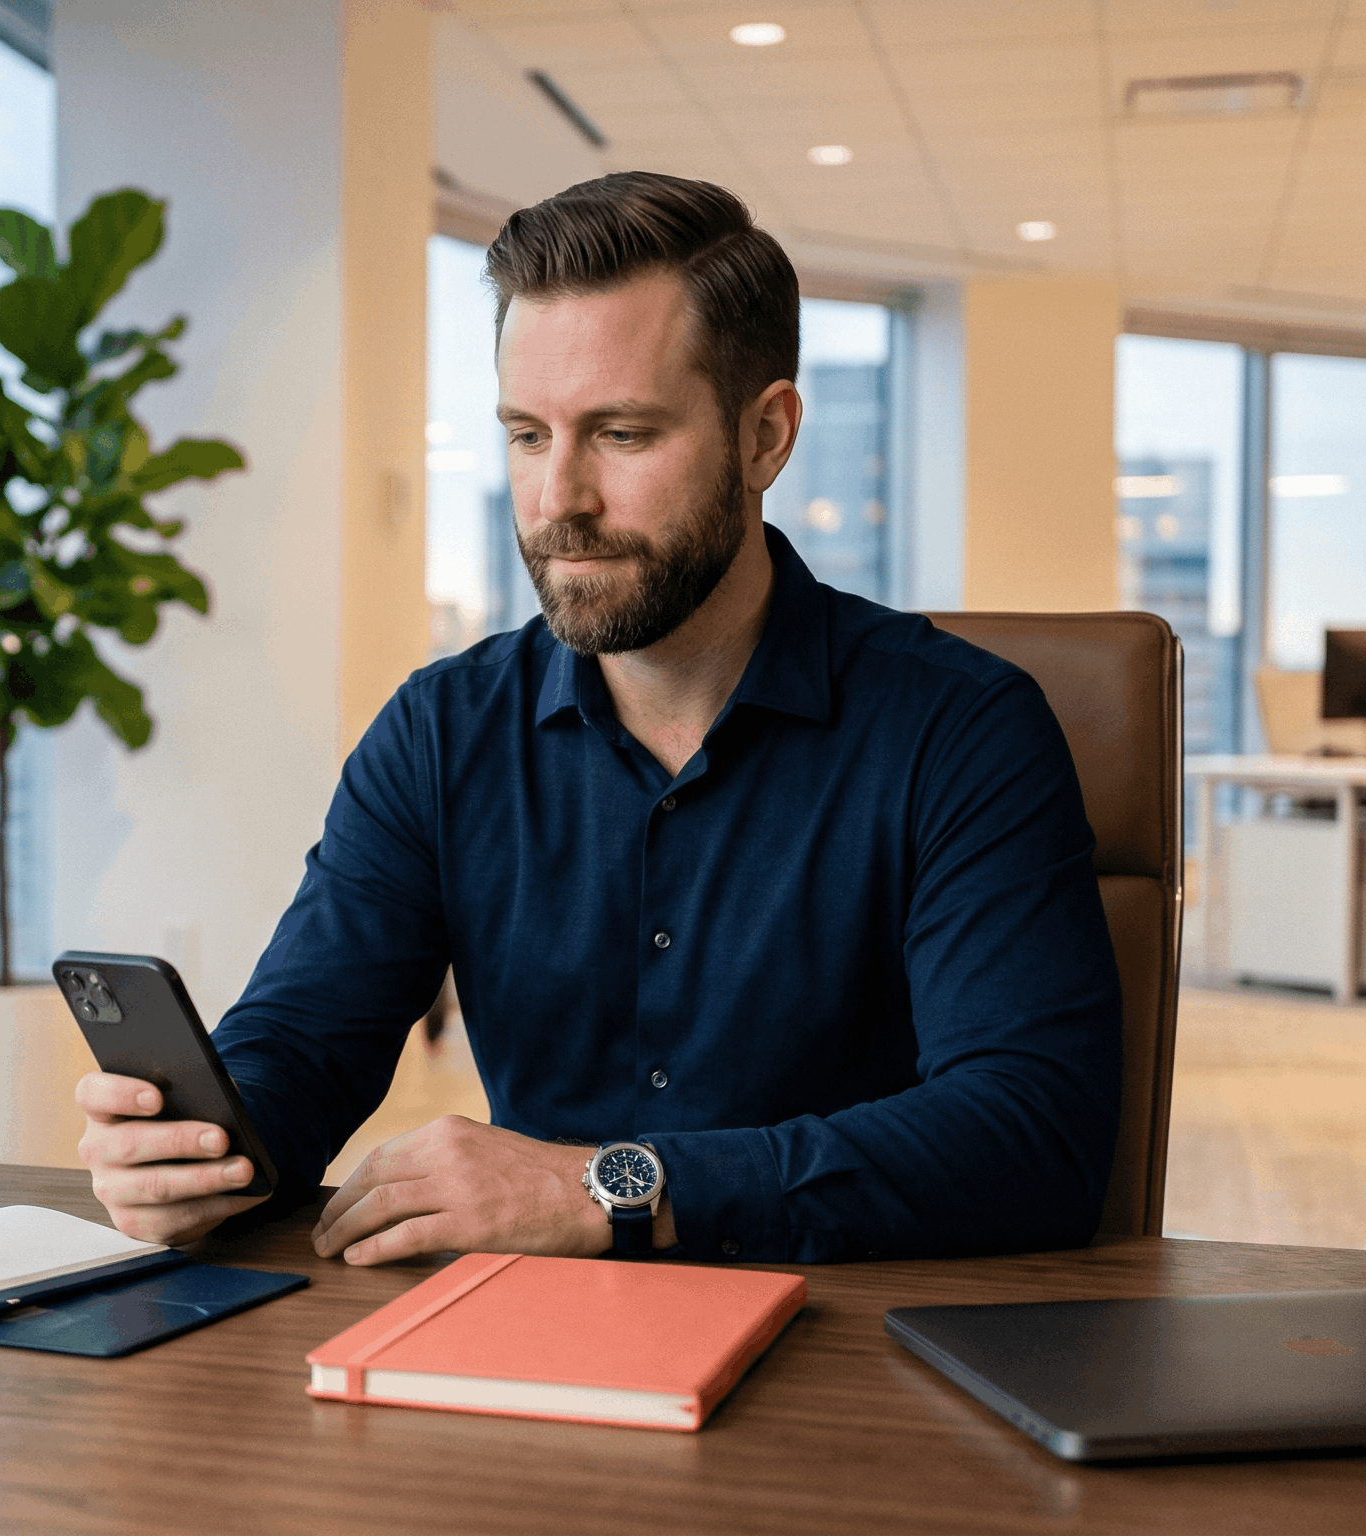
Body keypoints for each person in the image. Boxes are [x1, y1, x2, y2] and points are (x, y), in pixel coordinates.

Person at [76, 171, 1121, 1267]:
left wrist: (610, 1189)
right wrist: (202, 1147)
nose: (556, 500)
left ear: (765, 436)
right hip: (529, 1332)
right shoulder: (440, 732)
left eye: (620, 434)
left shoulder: (961, 730)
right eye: (528, 435)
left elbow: (1032, 1136)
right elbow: (303, 1041)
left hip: (853, 1334)